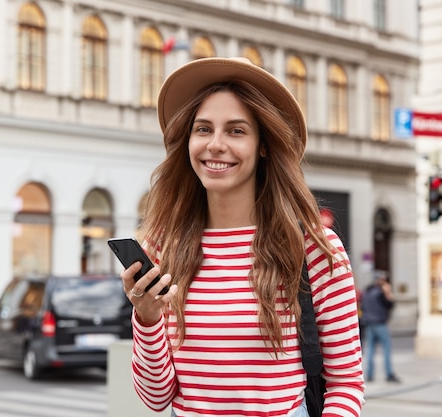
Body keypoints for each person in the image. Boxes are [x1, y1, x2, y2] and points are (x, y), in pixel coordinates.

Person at [118, 57, 364, 417]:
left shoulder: (313, 247)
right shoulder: (162, 246)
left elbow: (346, 384)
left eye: (236, 131)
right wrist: (148, 318)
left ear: (263, 145)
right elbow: (156, 399)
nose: (215, 144)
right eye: (203, 129)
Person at [360, 270, 400, 383]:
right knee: (386, 349)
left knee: (371, 350)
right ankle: (389, 373)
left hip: (369, 324)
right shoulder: (381, 293)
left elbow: (363, 307)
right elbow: (390, 305)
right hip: (380, 324)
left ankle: (370, 374)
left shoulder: (367, 291)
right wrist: (388, 293)